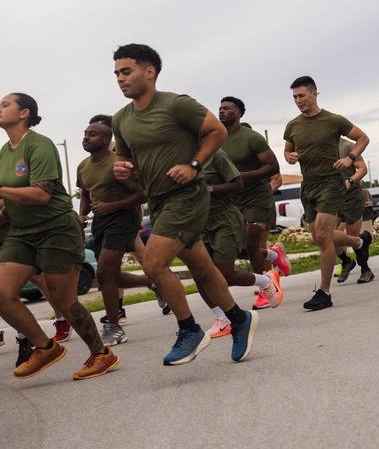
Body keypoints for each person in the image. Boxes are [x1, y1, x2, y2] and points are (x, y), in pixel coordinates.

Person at [112, 43, 259, 365]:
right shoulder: (121, 119)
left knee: (152, 265)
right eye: (117, 74)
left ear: (149, 72)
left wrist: (193, 164)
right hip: (158, 200)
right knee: (202, 268)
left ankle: (189, 329)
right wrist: (121, 166)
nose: (120, 79)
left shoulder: (176, 104)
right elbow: (122, 154)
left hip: (188, 195)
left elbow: (215, 131)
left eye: (127, 71)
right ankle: (239, 319)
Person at [0, 93, 119, 379]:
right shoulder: (5, 152)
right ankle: (45, 347)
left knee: (63, 299)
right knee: (2, 295)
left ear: (24, 113)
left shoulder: (39, 145)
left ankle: (102, 354)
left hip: (56, 228)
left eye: (5, 104)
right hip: (21, 232)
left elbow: (41, 194)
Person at [284, 76, 373, 310]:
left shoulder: (333, 120)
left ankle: (324, 292)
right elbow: (287, 151)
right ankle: (358, 241)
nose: (298, 101)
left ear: (314, 94)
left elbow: (363, 137)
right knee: (319, 237)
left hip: (331, 184)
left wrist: (350, 157)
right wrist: (289, 157)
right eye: (294, 97)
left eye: (301, 95)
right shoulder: (293, 125)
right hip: (309, 185)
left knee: (324, 236)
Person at [77, 114, 153, 346]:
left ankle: (114, 327)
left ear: (106, 139)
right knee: (113, 276)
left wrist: (112, 206)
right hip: (101, 222)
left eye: (92, 134)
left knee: (102, 273)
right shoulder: (83, 166)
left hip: (122, 218)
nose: (86, 137)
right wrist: (82, 214)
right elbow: (87, 195)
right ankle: (153, 282)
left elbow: (141, 194)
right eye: (85, 134)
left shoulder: (116, 163)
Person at [197, 150, 283, 337]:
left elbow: (237, 184)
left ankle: (266, 281)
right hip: (198, 221)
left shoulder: (217, 156)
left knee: (225, 274)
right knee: (200, 274)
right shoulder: (179, 157)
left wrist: (209, 189)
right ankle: (222, 319)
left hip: (223, 219)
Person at [217, 98, 290, 303]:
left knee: (250, 242)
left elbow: (273, 166)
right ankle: (275, 255)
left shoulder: (251, 137)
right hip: (233, 200)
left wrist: (245, 176)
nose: (221, 111)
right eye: (220, 108)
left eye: (227, 108)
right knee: (238, 249)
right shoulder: (216, 140)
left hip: (257, 196)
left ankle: (265, 290)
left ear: (239, 113)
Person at [335, 137, 375, 284]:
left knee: (353, 237)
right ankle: (346, 262)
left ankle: (365, 269)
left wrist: (350, 181)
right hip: (332, 197)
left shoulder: (347, 146)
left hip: (351, 195)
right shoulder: (320, 147)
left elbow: (363, 169)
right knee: (325, 235)